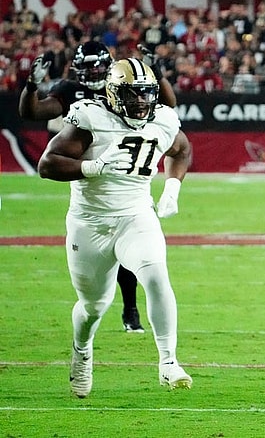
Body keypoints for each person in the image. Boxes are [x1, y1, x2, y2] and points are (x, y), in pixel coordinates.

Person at [37, 58, 193, 397]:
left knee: (154, 273)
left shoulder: (162, 119)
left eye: (146, 94)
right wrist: (92, 167)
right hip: (89, 222)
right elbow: (47, 165)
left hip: (136, 215)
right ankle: (82, 350)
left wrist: (172, 188)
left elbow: (181, 149)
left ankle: (168, 361)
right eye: (132, 94)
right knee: (94, 306)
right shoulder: (91, 117)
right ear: (113, 92)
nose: (141, 102)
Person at [19, 41, 178, 333]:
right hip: (88, 182)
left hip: (126, 187)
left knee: (135, 247)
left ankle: (131, 309)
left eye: (98, 65)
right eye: (88, 66)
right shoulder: (75, 97)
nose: (94, 71)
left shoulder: (129, 85)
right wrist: (31, 86)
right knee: (93, 289)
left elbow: (167, 109)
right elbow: (34, 114)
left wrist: (158, 71)